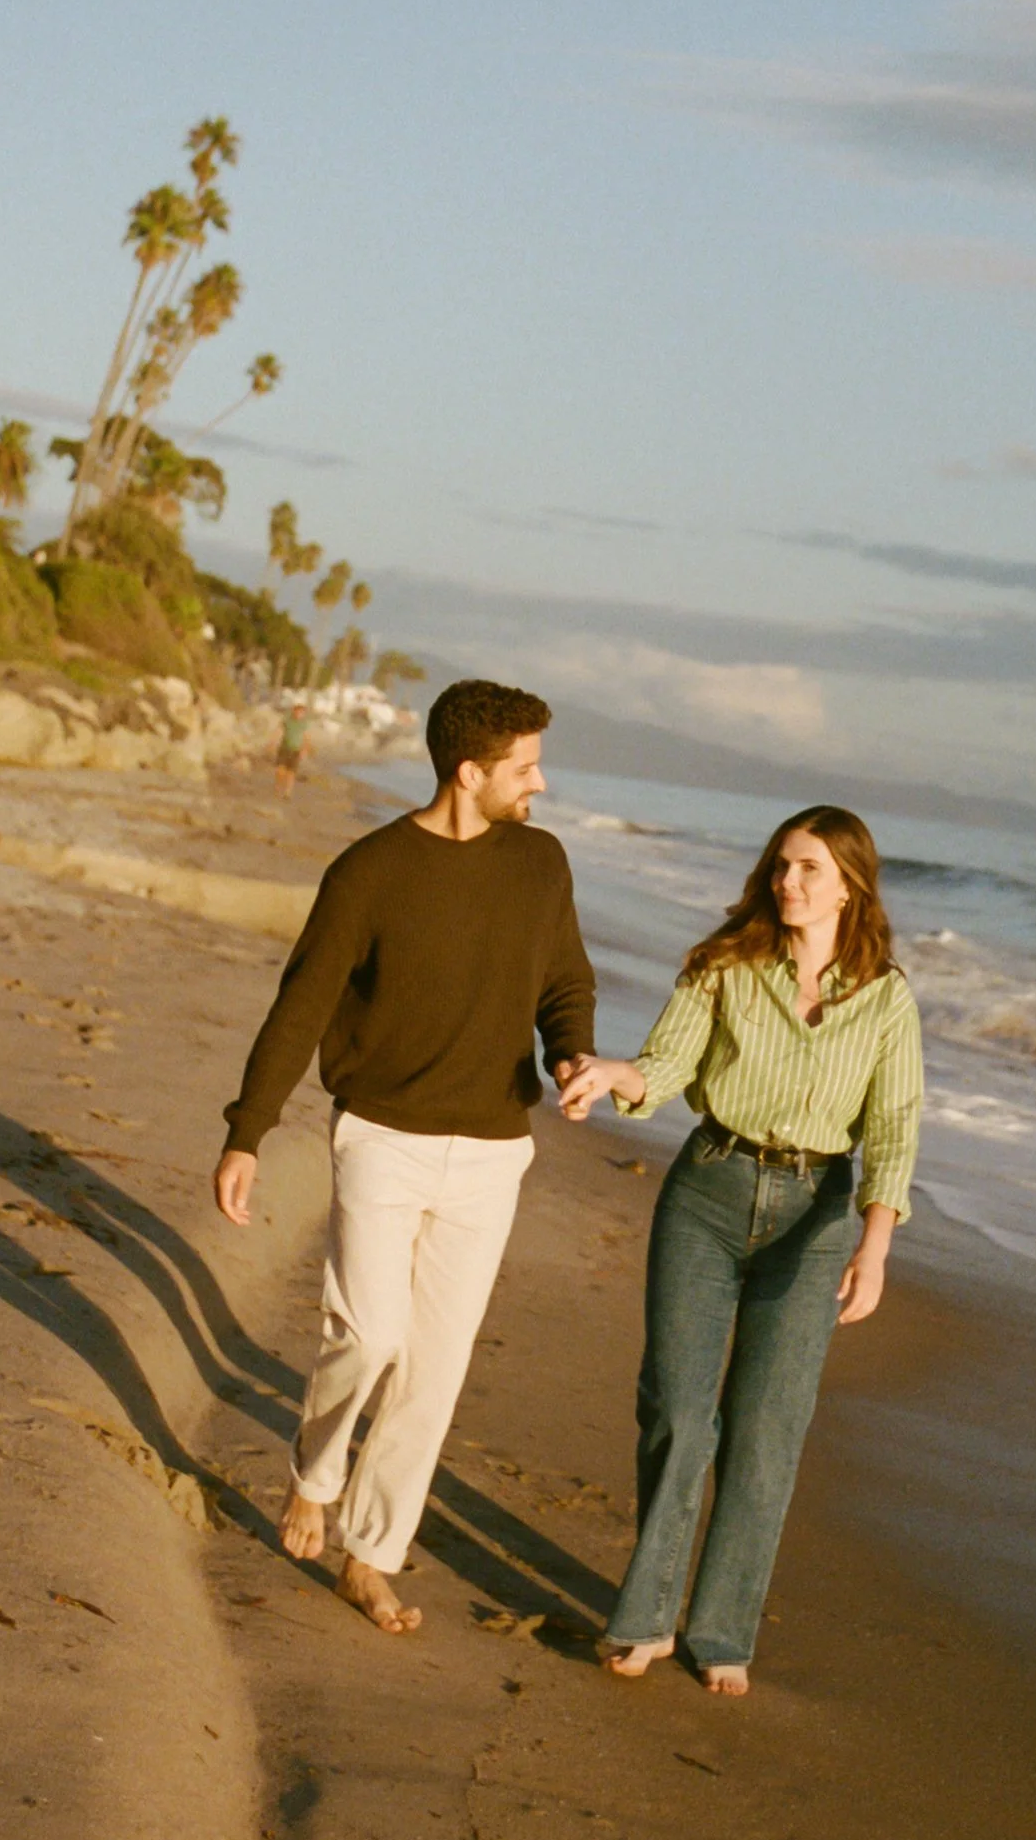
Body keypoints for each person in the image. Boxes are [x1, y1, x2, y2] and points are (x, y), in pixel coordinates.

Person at [214, 678, 596, 1633]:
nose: (540, 784)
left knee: (434, 1368)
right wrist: (246, 1131)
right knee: (370, 1334)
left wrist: (572, 1055)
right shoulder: (370, 871)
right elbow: (299, 1004)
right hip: (383, 1135)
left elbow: (563, 978)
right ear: (469, 773)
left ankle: (371, 1554)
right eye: (525, 767)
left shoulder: (541, 865)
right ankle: (314, 1472)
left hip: (493, 1152)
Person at [556, 804, 922, 1696]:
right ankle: (644, 1616)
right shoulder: (724, 965)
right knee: (679, 1412)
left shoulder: (885, 997)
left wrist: (873, 1244)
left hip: (815, 1215)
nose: (786, 882)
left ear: (850, 885)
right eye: (780, 866)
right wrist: (610, 1076)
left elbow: (894, 1125)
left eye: (807, 869)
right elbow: (666, 1065)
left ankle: (719, 1628)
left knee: (765, 1432)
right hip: (708, 1195)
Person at [274, 699, 310, 799]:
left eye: (302, 712)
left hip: (296, 750)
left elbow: (306, 738)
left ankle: (287, 793)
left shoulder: (304, 724)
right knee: (280, 771)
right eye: (298, 711)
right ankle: (278, 787)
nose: (299, 714)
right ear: (294, 711)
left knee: (291, 773)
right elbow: (278, 731)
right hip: (284, 749)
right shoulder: (287, 720)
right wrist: (273, 743)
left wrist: (305, 750)